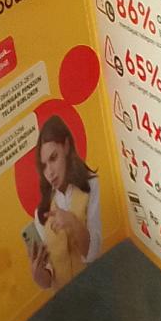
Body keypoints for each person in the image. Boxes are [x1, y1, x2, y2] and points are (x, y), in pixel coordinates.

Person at [28, 115, 101, 289]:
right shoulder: (42, 213)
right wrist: (39, 276)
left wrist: (72, 222)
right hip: (64, 300)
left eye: (53, 158)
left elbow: (93, 253)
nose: (50, 172)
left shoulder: (90, 186)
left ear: (66, 146)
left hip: (94, 290)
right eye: (44, 166)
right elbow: (48, 280)